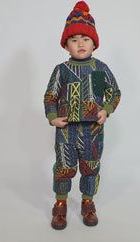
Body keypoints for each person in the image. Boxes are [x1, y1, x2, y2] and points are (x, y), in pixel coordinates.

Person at [44, 1, 121, 230]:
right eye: (74, 39)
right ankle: (60, 205)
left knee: (90, 168)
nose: (80, 43)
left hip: (93, 131)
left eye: (85, 39)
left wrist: (106, 111)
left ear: (94, 43)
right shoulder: (61, 70)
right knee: (64, 168)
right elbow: (50, 96)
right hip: (66, 131)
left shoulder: (100, 69)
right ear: (66, 44)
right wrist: (53, 117)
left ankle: (88, 203)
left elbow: (114, 93)